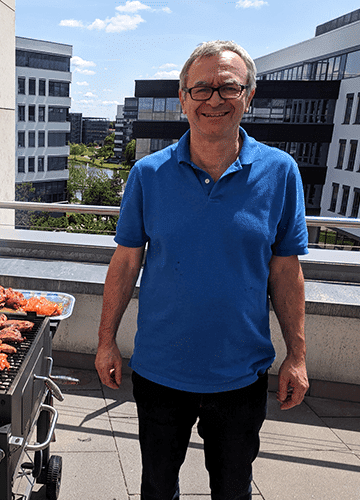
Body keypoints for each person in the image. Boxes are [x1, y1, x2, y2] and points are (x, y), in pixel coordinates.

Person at [95, 40, 309, 500]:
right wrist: (106, 341)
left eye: (228, 88)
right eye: (202, 89)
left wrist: (297, 354)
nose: (215, 99)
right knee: (157, 486)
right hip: (159, 370)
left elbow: (285, 271)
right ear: (183, 98)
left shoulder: (281, 172)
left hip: (240, 374)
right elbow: (126, 262)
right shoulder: (148, 174)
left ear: (249, 95)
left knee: (233, 490)